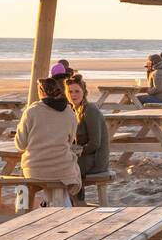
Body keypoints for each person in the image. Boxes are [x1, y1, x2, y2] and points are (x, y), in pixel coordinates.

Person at [14, 76, 81, 206]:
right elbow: (70, 140)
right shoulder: (69, 112)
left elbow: (20, 145)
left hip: (35, 169)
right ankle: (56, 204)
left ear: (41, 91)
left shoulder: (31, 111)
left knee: (22, 180)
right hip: (62, 169)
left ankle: (21, 209)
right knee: (71, 169)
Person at [65, 75, 108, 203]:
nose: (73, 95)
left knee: (65, 168)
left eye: (77, 91)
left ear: (84, 92)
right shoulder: (75, 109)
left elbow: (95, 143)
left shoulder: (90, 110)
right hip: (84, 155)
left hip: (96, 159)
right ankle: (73, 202)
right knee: (59, 162)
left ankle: (75, 203)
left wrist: (75, 152)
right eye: (70, 91)